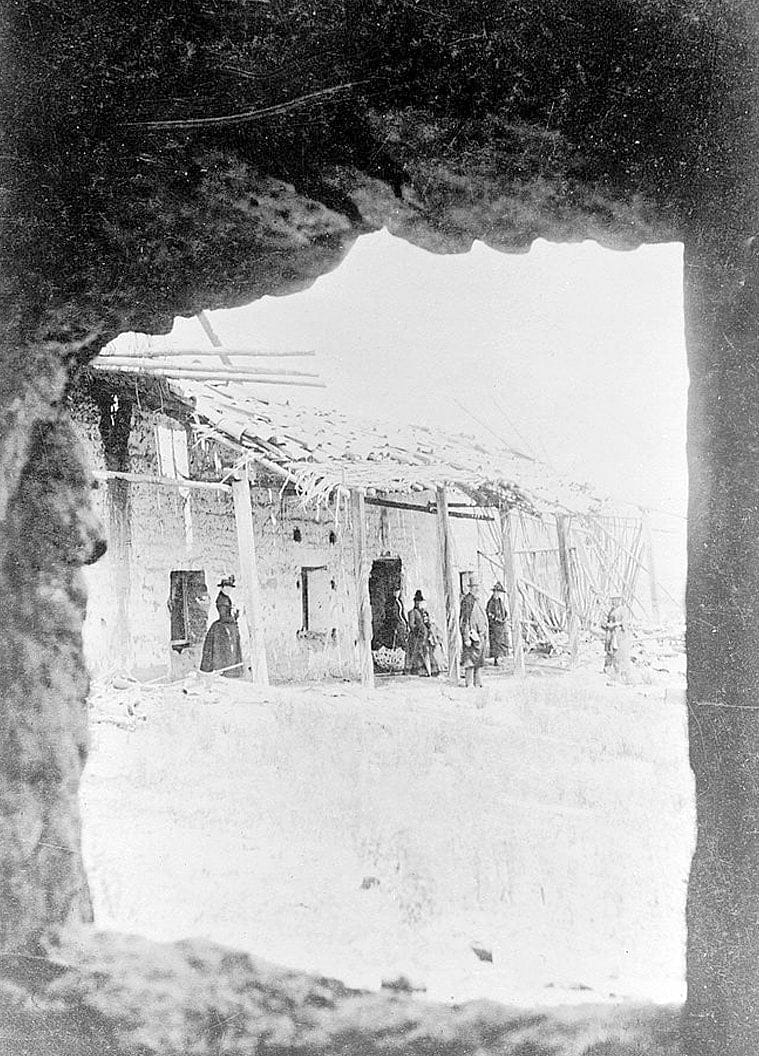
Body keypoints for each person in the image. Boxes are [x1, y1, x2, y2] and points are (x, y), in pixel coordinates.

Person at [199, 576, 243, 678]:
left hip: (228, 624)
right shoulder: (221, 599)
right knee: (223, 649)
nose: (229, 590)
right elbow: (223, 616)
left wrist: (235, 615)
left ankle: (230, 669)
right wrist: (233, 618)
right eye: (226, 588)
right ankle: (224, 670)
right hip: (223, 627)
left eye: (230, 588)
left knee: (231, 647)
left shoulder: (226, 598)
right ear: (222, 588)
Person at [460, 575, 489, 687]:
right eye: (474, 586)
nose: (476, 588)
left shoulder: (477, 600)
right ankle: (469, 683)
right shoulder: (467, 601)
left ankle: (478, 682)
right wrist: (466, 637)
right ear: (470, 588)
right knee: (470, 660)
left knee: (478, 660)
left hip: (480, 636)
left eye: (477, 586)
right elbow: (464, 620)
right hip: (472, 636)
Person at [405, 589, 439, 676]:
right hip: (416, 636)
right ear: (415, 602)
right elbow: (411, 625)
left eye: (420, 602)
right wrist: (418, 629)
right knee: (418, 652)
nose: (419, 603)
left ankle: (433, 670)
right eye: (418, 602)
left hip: (426, 635)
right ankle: (420, 670)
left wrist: (429, 625)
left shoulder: (424, 612)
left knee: (429, 651)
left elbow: (427, 622)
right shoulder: (412, 612)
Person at [603, 594, 630, 680]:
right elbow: (608, 620)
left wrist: (615, 624)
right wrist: (607, 625)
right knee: (609, 650)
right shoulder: (611, 610)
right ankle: (608, 669)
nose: (614, 601)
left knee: (618, 651)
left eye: (616, 599)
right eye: (613, 600)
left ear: (619, 600)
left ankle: (621, 671)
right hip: (610, 632)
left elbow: (624, 622)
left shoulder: (623, 610)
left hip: (618, 633)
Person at [486, 581, 509, 666]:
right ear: (494, 592)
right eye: (496, 592)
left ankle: (501, 658)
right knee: (495, 643)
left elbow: (505, 611)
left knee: (502, 642)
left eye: (499, 592)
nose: (497, 593)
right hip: (494, 626)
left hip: (501, 625)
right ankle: (496, 659)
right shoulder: (491, 602)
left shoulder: (500, 601)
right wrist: (496, 619)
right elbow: (489, 613)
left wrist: (505, 617)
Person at [387, 586, 409, 651]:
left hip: (400, 620)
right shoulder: (391, 602)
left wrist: (405, 621)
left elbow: (402, 612)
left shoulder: (399, 601)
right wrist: (398, 621)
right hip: (394, 621)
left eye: (398, 591)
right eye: (395, 591)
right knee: (400, 630)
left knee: (406, 630)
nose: (397, 593)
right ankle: (402, 647)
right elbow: (392, 613)